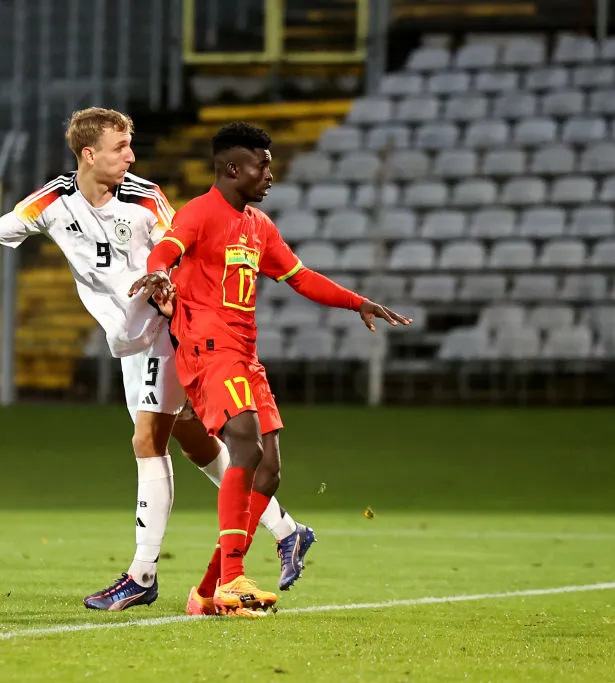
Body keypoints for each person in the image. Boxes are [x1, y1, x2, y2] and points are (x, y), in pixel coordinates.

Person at [0, 108, 315, 615]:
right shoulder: (51, 200)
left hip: (168, 331)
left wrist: (169, 284)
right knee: (194, 444)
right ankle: (286, 530)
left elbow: (180, 248)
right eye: (121, 146)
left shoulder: (146, 199)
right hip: (129, 342)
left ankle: (143, 574)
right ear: (89, 153)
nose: (131, 155)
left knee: (148, 439)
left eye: (131, 145)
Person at [130, 121, 412, 617]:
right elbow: (167, 249)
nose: (270, 174)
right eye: (262, 164)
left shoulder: (258, 226)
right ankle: (234, 578)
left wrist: (356, 302)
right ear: (232, 168)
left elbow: (300, 277)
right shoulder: (200, 213)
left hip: (244, 355)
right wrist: (157, 271)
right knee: (244, 440)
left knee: (270, 471)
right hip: (208, 348)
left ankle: (206, 593)